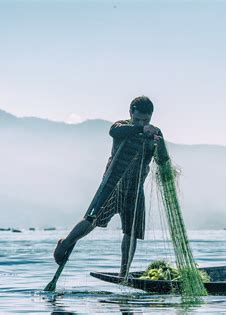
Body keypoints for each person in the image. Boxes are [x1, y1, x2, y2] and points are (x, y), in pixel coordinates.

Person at [53, 96, 169, 277]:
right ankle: (65, 243)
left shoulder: (156, 133)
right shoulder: (121, 126)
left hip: (135, 189)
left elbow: (162, 159)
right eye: (137, 119)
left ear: (151, 116)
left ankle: (124, 273)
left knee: (132, 233)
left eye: (146, 120)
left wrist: (159, 145)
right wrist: (139, 127)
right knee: (92, 220)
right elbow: (114, 132)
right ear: (131, 113)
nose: (142, 122)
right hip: (112, 185)